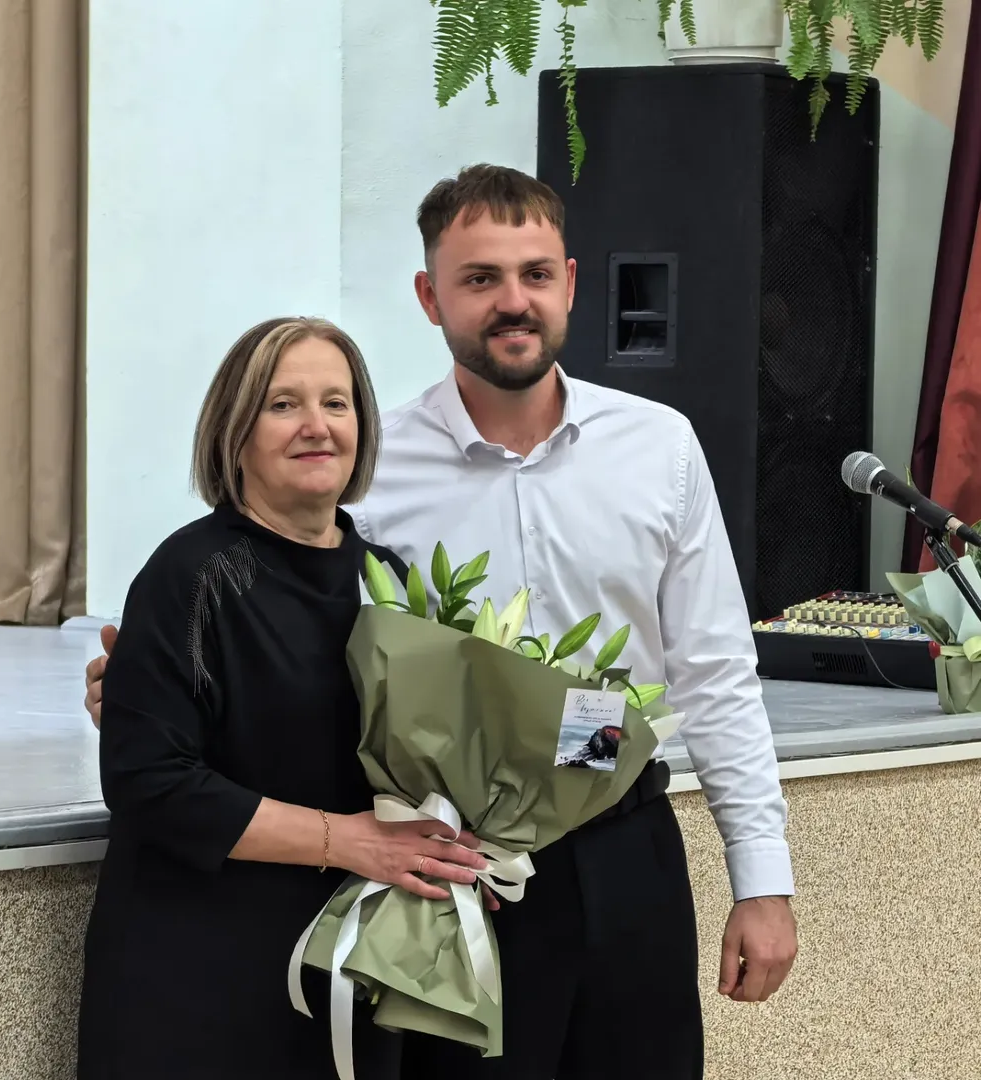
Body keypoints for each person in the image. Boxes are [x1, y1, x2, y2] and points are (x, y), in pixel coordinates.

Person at [84, 166, 798, 1079]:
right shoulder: (371, 477)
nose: (513, 301)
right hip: (461, 874)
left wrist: (762, 879)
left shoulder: (660, 447)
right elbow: (293, 636)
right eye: (480, 278)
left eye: (534, 274)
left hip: (627, 847)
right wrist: (151, 691)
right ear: (430, 297)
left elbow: (717, 674)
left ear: (570, 283)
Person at [75, 315, 490, 1080]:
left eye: (336, 403)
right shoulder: (190, 574)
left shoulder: (392, 584)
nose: (316, 426)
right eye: (283, 404)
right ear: (234, 432)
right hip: (199, 981)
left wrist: (461, 847)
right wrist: (349, 841)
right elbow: (148, 781)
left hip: (351, 969)